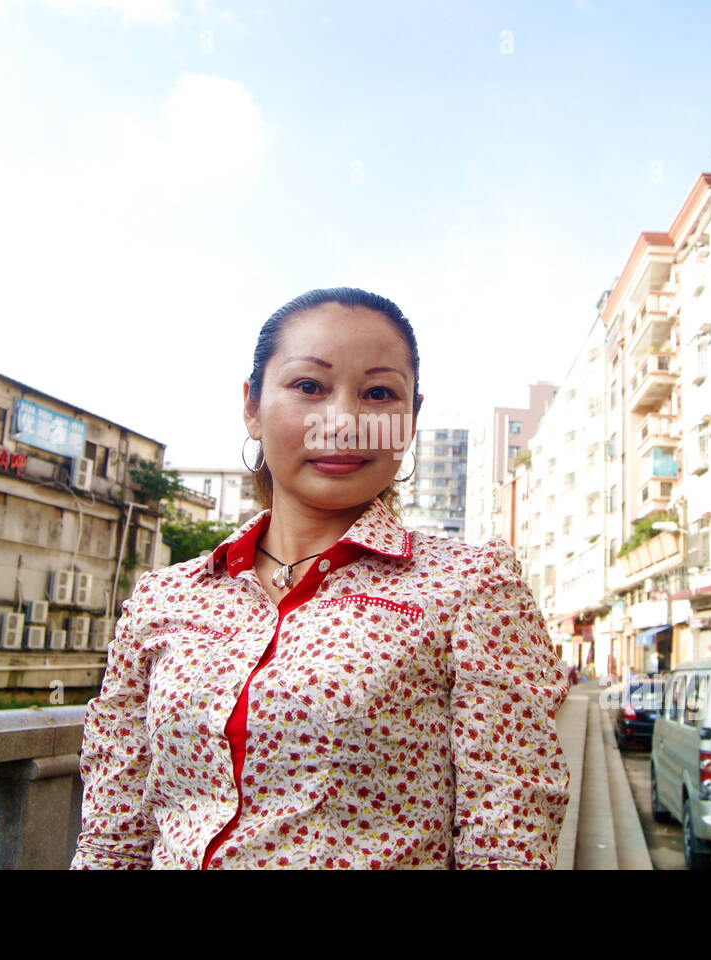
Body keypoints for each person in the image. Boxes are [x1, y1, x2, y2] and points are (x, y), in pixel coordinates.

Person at [71, 287, 570, 869]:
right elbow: (113, 832)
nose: (344, 422)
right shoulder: (165, 598)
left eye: (379, 393)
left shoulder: (473, 586)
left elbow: (510, 843)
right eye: (309, 386)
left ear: (409, 421)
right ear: (252, 407)